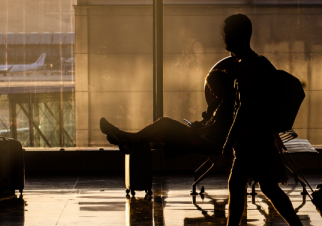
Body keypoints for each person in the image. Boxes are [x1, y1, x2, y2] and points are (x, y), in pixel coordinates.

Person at [202, 14, 315, 226]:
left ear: (237, 35)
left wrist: (229, 139)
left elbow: (245, 108)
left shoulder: (247, 67)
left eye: (226, 32)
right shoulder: (258, 62)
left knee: (255, 185)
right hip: (258, 137)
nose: (223, 36)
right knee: (260, 186)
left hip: (252, 139)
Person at [99, 57, 237, 156]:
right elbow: (216, 126)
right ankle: (127, 138)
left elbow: (216, 129)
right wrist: (200, 125)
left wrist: (195, 130)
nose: (211, 92)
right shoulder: (227, 103)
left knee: (164, 123)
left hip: (206, 142)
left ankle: (126, 137)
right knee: (164, 132)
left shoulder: (227, 105)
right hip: (205, 138)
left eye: (213, 88)